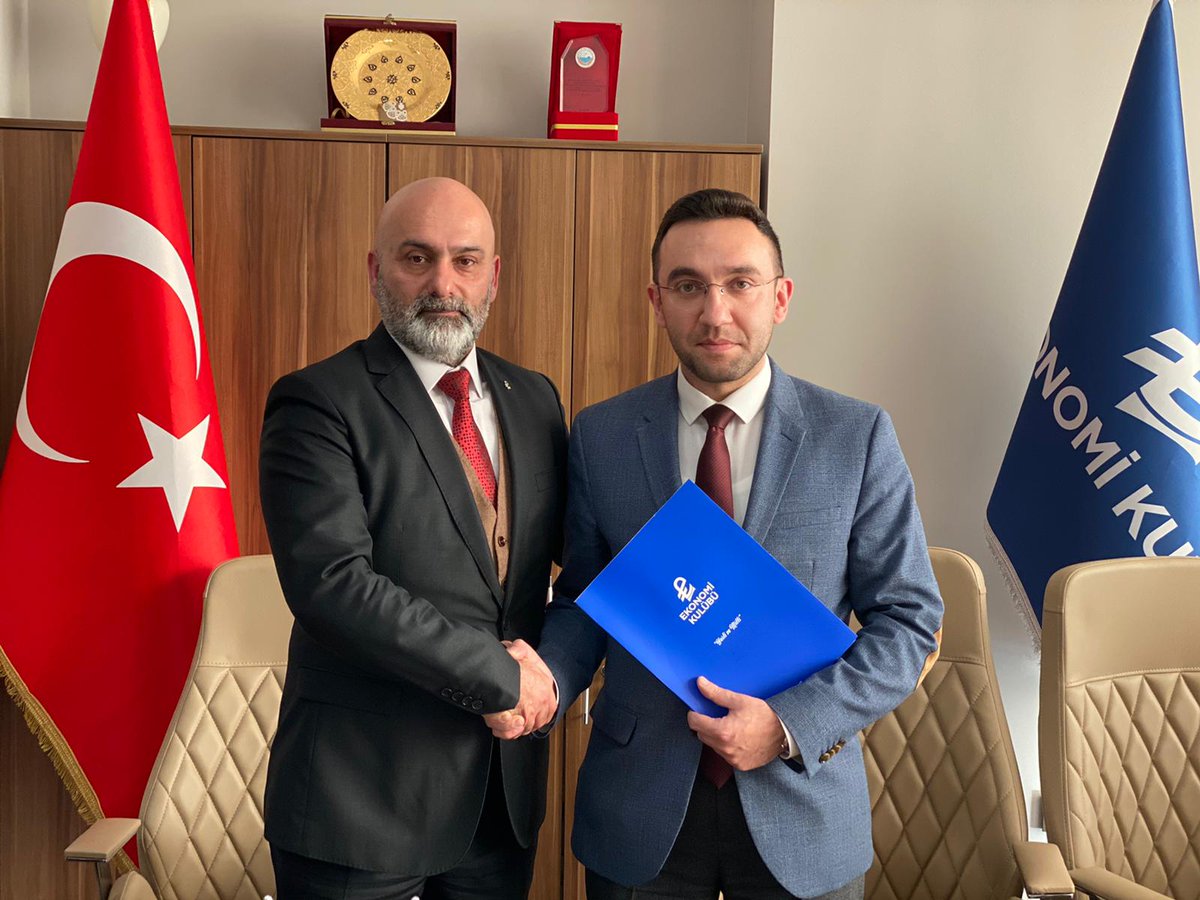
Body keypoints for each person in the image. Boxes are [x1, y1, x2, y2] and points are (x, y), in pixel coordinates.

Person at [525, 188, 943, 899]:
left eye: (740, 283)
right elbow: (586, 602)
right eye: (688, 286)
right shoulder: (602, 436)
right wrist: (545, 682)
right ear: (657, 301)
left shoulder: (856, 437)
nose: (714, 312)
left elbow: (908, 622)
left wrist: (788, 725)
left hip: (803, 806)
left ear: (780, 297)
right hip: (639, 808)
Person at [260, 177, 565, 899]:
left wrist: (558, 673)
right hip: (358, 804)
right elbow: (333, 586)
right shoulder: (318, 401)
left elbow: (571, 565)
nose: (443, 284)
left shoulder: (535, 398)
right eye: (417, 257)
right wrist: (501, 677)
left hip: (499, 801)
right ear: (376, 269)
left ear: (494, 275)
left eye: (466, 260)